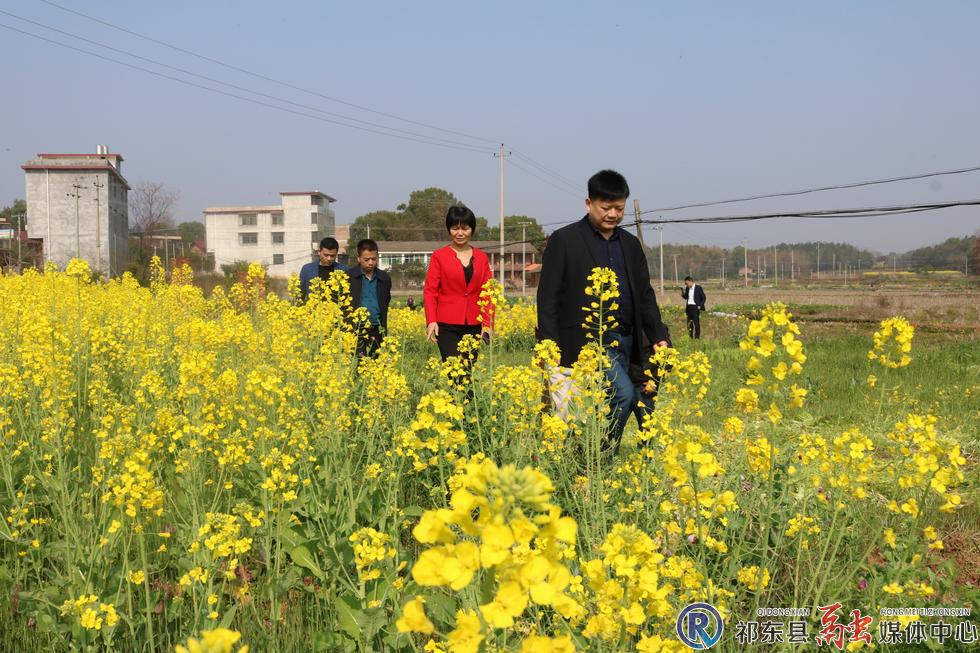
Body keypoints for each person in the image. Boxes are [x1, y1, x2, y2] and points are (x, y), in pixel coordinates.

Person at [537, 169, 669, 451]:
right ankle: (599, 457)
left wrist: (658, 335)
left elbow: (645, 295)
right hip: (589, 342)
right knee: (621, 395)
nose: (613, 214)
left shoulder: (631, 245)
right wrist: (550, 348)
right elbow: (547, 298)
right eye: (606, 207)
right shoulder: (565, 240)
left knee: (624, 399)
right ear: (589, 204)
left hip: (627, 340)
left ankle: (597, 458)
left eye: (619, 208)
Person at [424, 205, 494, 360]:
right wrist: (431, 321)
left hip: (474, 324)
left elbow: (488, 293)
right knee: (454, 373)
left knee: (468, 372)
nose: (460, 233)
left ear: (472, 230)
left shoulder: (482, 258)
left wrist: (487, 325)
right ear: (449, 230)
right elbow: (430, 291)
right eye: (455, 228)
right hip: (446, 324)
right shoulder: (439, 256)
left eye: (465, 228)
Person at [347, 239, 391, 357]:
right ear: (358, 258)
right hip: (356, 332)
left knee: (376, 366)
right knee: (358, 367)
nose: (370, 262)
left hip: (377, 331)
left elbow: (386, 301)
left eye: (374, 259)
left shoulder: (384, 278)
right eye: (366, 259)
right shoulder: (348, 277)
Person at [299, 237, 346, 302]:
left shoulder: (344, 270)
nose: (329, 258)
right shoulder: (307, 269)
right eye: (326, 255)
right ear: (319, 252)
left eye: (332, 256)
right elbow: (300, 296)